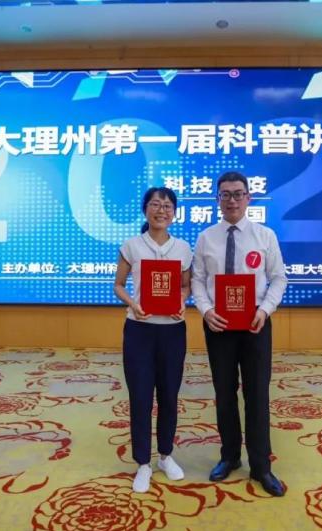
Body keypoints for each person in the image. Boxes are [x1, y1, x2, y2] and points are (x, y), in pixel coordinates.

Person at [191, 171, 288, 497]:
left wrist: (265, 310)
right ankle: (229, 456)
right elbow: (198, 280)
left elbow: (279, 278)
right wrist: (206, 310)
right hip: (218, 324)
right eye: (225, 194)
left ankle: (261, 466)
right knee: (225, 392)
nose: (231, 200)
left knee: (257, 393)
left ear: (248, 198)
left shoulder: (264, 236)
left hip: (254, 324)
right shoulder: (206, 238)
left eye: (237, 194)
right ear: (217, 199)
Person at [113, 186, 192, 493]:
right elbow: (119, 285)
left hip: (173, 331)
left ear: (175, 212)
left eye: (168, 205)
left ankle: (166, 456)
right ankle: (143, 463)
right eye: (156, 204)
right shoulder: (132, 245)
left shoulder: (183, 248)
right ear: (145, 209)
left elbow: (185, 286)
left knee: (170, 394)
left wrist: (182, 301)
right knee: (141, 396)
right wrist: (133, 304)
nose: (162, 210)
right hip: (140, 330)